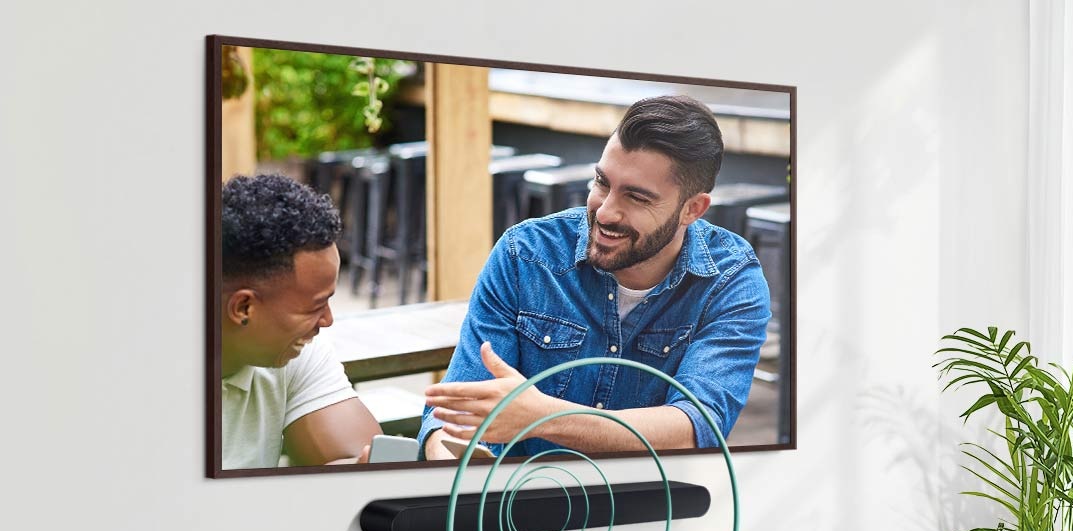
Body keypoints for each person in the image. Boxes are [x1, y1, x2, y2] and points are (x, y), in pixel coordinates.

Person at [420, 95, 771, 460]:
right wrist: (451, 461)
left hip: (653, 494)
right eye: (602, 182)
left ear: (692, 209)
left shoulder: (730, 282)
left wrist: (543, 418)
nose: (605, 212)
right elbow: (455, 416)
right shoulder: (525, 254)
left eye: (636, 198)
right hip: (517, 493)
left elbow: (696, 430)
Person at [219, 174, 382, 469]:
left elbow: (365, 457)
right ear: (244, 308)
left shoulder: (293, 350)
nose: (328, 320)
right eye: (316, 306)